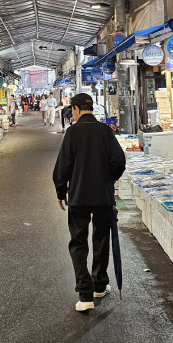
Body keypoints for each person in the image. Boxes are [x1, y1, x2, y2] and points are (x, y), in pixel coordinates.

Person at [53, 93, 126, 312]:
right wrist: (108, 178)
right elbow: (119, 161)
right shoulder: (105, 131)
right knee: (102, 239)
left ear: (75, 109)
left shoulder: (72, 132)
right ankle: (99, 285)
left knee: (78, 243)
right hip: (103, 196)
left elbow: (62, 166)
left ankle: (85, 295)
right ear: (91, 108)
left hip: (78, 196)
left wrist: (61, 191)